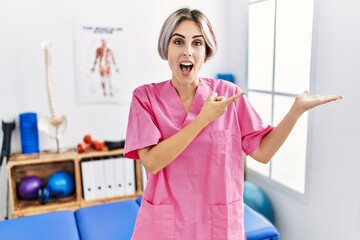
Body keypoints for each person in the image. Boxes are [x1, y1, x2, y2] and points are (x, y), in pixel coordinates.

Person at [124, 7, 342, 240]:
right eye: (178, 42)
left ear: (206, 50)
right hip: (166, 228)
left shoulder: (229, 95)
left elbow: (262, 152)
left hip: (216, 226)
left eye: (197, 43)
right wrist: (203, 119)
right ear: (166, 48)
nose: (187, 51)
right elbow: (152, 162)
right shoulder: (145, 97)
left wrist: (295, 111)